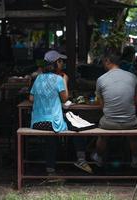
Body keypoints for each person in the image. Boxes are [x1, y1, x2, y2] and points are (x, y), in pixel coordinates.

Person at [29, 50, 92, 178]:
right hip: (54, 123)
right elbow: (65, 98)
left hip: (37, 123)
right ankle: (81, 159)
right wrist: (65, 81)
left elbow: (31, 99)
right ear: (56, 63)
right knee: (77, 126)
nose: (62, 64)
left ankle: (50, 169)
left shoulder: (38, 78)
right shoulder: (59, 79)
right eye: (61, 61)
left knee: (51, 137)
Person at [92, 48, 137, 168]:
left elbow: (102, 105)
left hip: (108, 123)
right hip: (130, 122)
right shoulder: (132, 77)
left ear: (107, 61)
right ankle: (135, 157)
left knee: (102, 135)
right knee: (134, 135)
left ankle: (98, 157)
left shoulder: (101, 79)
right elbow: (136, 101)